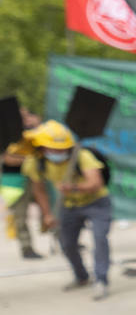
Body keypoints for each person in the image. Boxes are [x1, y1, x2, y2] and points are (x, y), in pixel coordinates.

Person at [24, 120, 113, 300]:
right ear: (42, 148)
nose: (58, 153)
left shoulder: (81, 156)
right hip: (69, 206)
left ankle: (101, 280)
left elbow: (96, 183)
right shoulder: (35, 162)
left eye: (61, 149)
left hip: (97, 202)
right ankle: (81, 277)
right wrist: (48, 214)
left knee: (99, 238)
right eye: (54, 149)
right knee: (67, 244)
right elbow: (39, 190)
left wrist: (73, 188)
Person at [4, 106, 43, 259]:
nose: (26, 120)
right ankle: (26, 248)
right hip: (15, 180)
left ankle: (62, 240)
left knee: (50, 209)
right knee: (20, 216)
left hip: (34, 178)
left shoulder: (33, 133)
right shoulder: (6, 134)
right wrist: (30, 160)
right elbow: (7, 159)